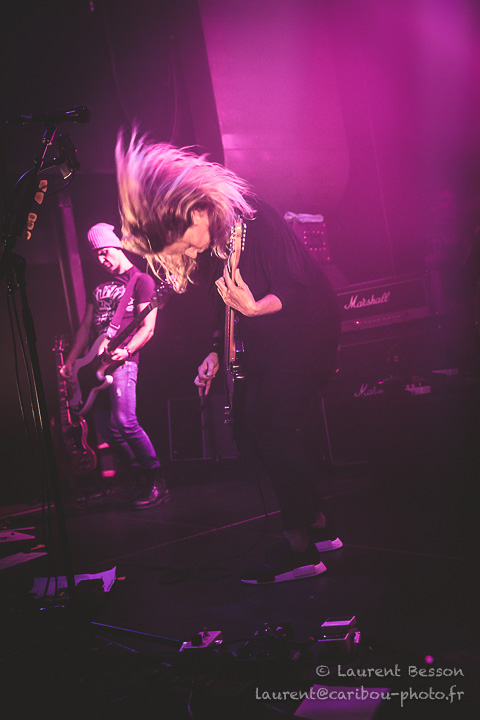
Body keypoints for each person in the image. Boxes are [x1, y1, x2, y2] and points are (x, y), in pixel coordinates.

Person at [115, 130, 343, 583]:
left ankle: (299, 547)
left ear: (197, 210)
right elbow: (222, 301)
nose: (191, 251)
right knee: (257, 426)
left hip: (307, 326)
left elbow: (296, 286)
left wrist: (255, 308)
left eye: (187, 242)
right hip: (269, 337)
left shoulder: (255, 220)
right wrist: (215, 350)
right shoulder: (215, 242)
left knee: (273, 425)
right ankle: (319, 526)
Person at [60, 222, 169, 509]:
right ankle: (139, 477)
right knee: (105, 428)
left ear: (117, 246)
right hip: (94, 365)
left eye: (104, 252)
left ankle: (156, 479)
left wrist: (128, 350)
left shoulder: (142, 281)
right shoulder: (98, 288)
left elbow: (148, 328)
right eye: (96, 255)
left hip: (123, 360)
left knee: (124, 420)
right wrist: (71, 360)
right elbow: (86, 328)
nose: (101, 259)